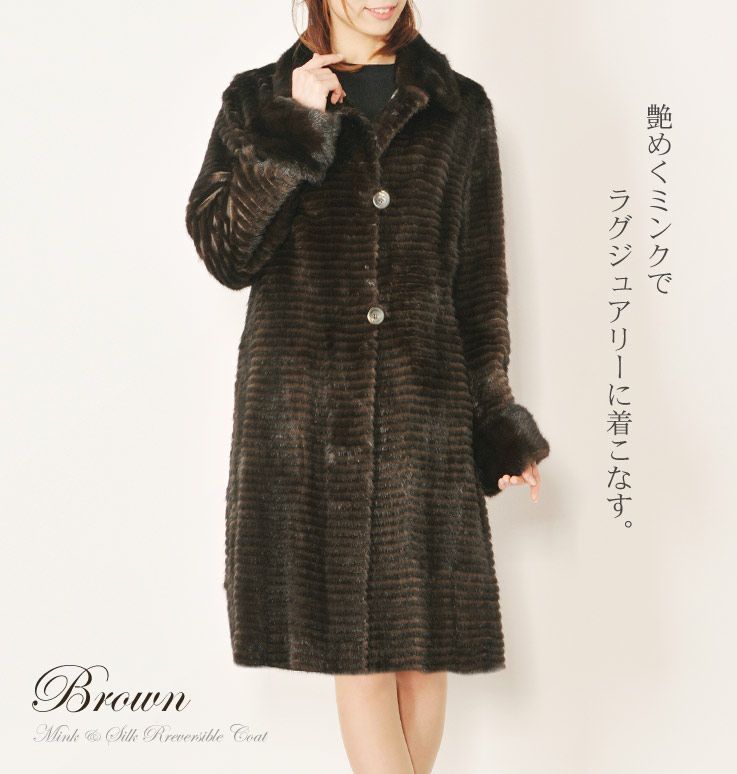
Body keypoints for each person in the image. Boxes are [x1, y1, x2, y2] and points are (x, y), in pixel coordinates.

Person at [185, 1, 551, 772]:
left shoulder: (459, 107)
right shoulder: (259, 100)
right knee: (360, 655)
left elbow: (479, 285)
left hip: (424, 414)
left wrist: (497, 420)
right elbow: (225, 253)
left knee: (421, 654)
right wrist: (295, 128)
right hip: (309, 419)